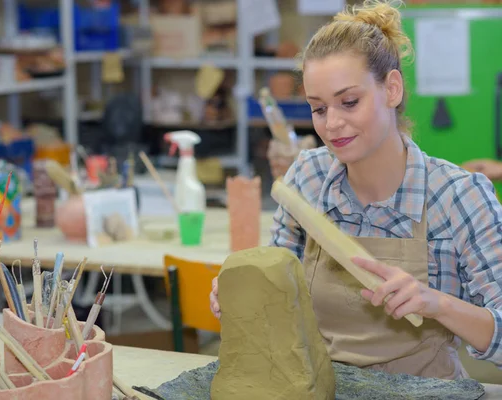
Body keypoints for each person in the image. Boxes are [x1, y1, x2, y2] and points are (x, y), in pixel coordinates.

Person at [209, 0, 502, 380]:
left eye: (349, 102)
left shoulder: (458, 197)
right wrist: (243, 293)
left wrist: (439, 304)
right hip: (321, 387)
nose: (332, 124)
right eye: (318, 109)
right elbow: (280, 306)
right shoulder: (307, 181)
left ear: (392, 89)